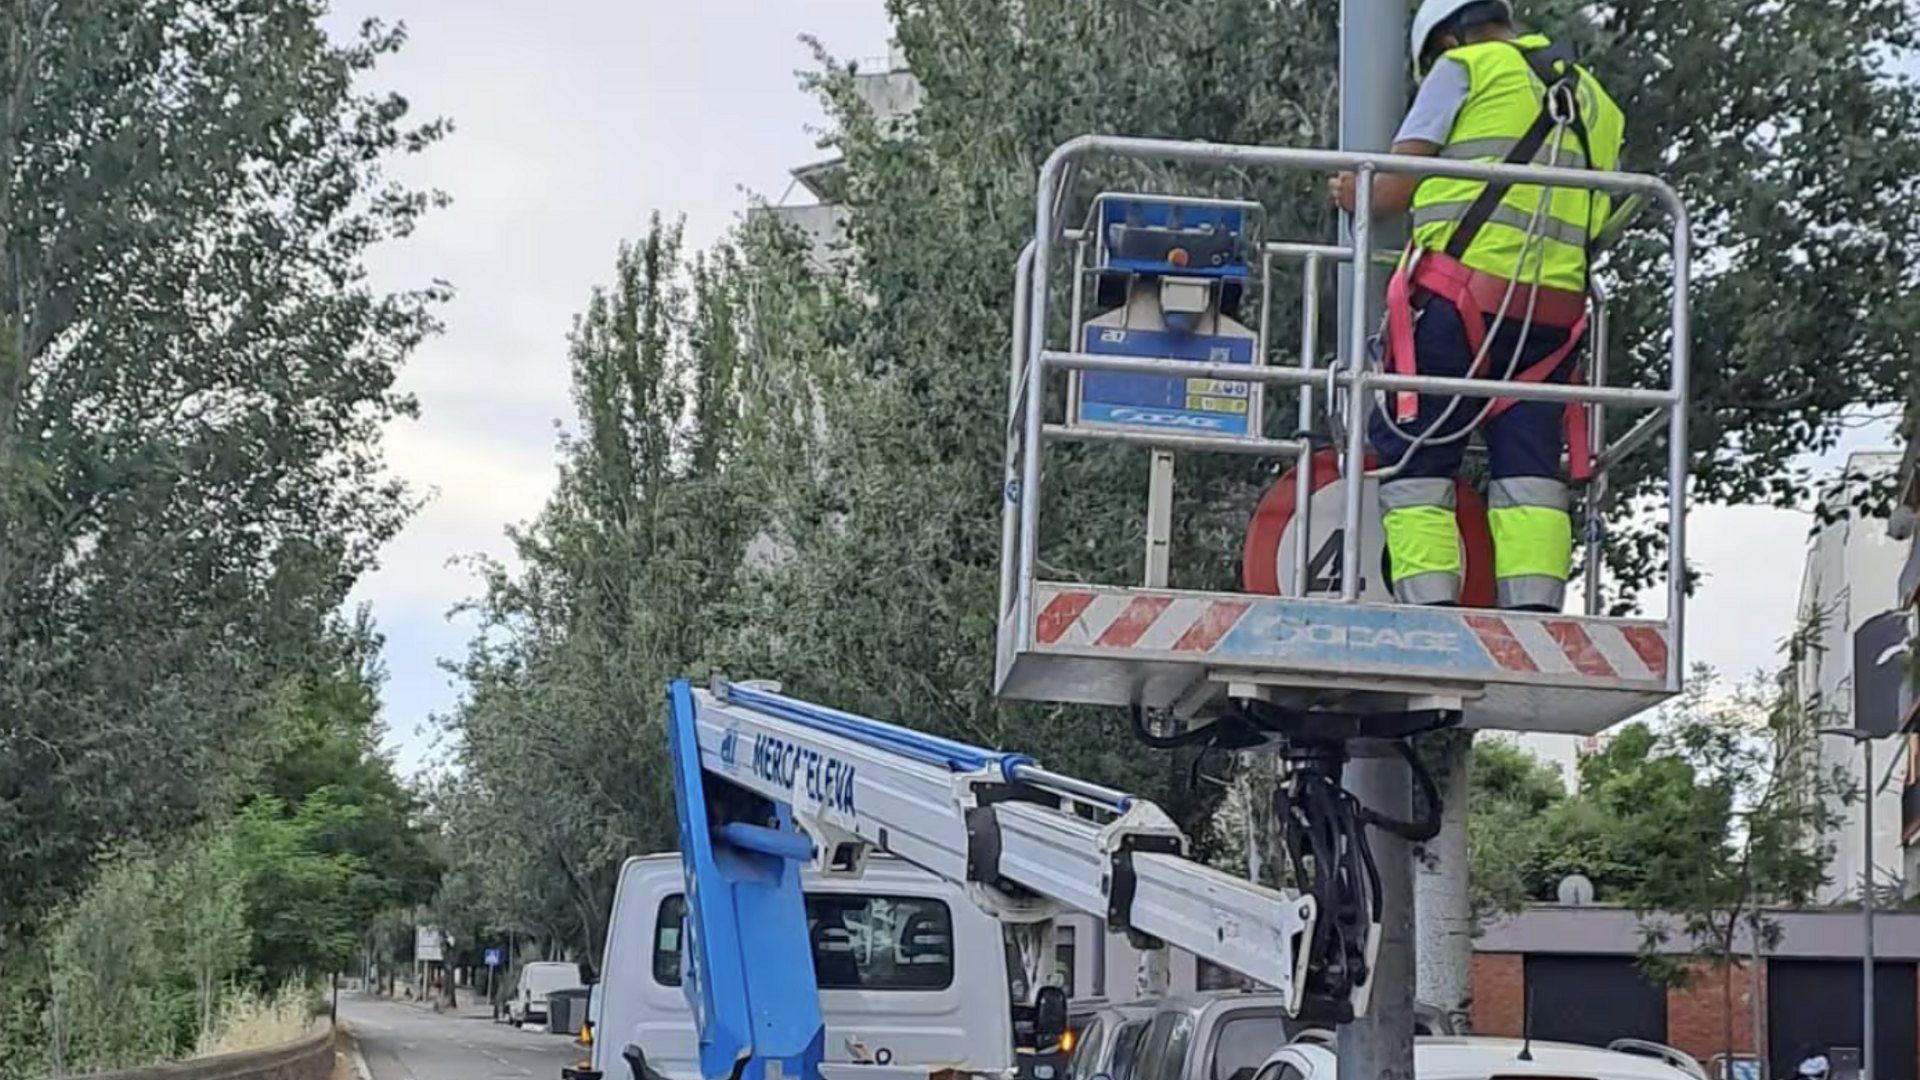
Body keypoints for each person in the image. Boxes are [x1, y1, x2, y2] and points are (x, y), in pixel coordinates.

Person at [1327, 0, 1625, 612]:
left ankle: (1428, 611)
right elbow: (1610, 219)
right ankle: (1535, 612)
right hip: (1552, 319)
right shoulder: (1599, 102)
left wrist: (1352, 190)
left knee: (1418, 451)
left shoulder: (1465, 67)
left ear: (1448, 37)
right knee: (1531, 467)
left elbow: (1391, 188)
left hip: (1457, 302)